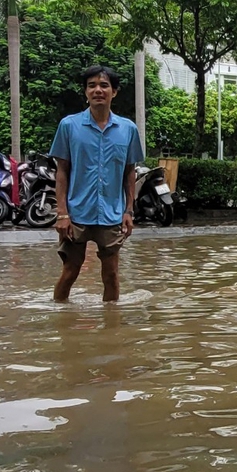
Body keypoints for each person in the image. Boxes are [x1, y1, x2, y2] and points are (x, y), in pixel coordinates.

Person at [50, 65, 143, 302]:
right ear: (85, 92)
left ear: (114, 92)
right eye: (92, 86)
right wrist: (62, 214)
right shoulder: (69, 126)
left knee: (111, 275)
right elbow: (62, 171)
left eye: (104, 85)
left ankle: (111, 328)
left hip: (112, 214)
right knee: (70, 271)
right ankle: (60, 321)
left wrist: (128, 210)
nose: (98, 90)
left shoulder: (128, 129)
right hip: (77, 213)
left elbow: (129, 172)